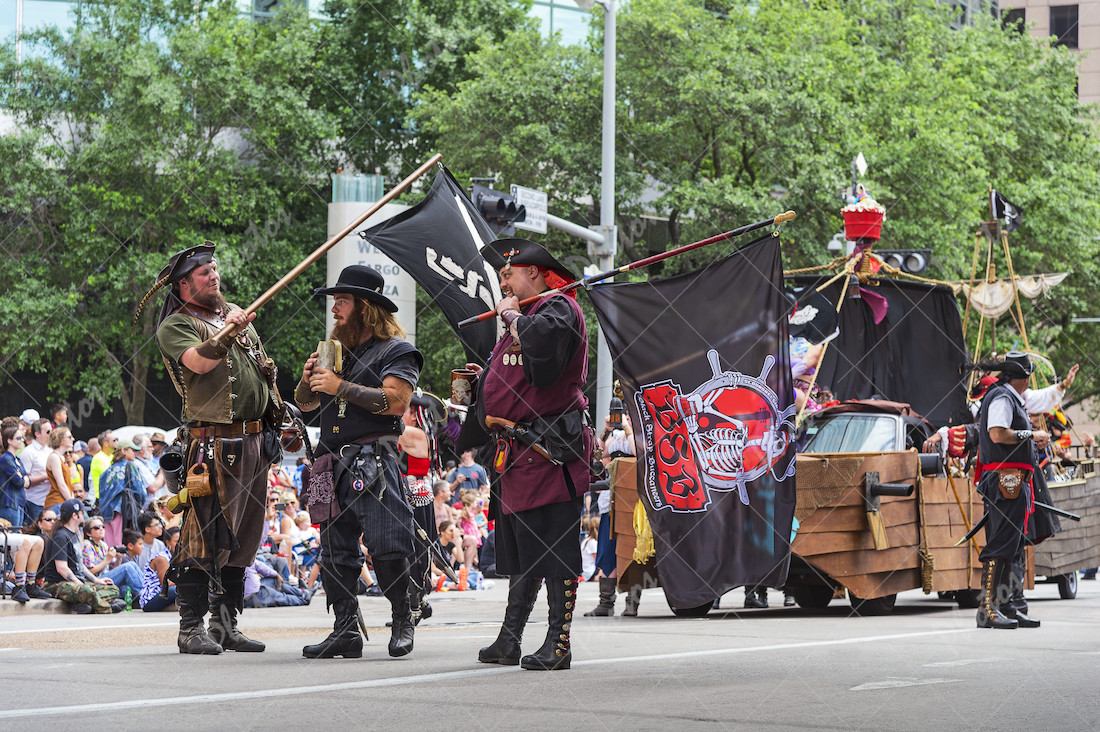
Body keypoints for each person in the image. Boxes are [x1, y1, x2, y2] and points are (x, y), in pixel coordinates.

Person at [143, 241, 281, 655]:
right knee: (202, 537)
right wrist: (230, 332)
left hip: (255, 441)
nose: (214, 276)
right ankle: (190, 629)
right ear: (184, 285)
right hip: (212, 445)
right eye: (204, 272)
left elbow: (263, 370)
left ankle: (224, 626)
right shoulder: (175, 325)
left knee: (243, 540)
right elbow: (200, 362)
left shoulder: (233, 313)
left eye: (215, 268)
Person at [471, 238, 591, 671]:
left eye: (508, 275)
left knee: (555, 549)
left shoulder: (559, 307)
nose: (503, 285)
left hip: (549, 450)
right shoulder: (529, 314)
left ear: (535, 273)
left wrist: (509, 315)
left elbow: (542, 347)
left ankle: (559, 643)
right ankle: (510, 639)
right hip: (516, 454)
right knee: (525, 551)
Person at [295, 265, 422, 660]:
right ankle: (345, 630)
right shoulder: (336, 351)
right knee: (334, 551)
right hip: (328, 462)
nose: (334, 309)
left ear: (365, 307)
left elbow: (396, 402)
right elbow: (305, 404)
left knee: (386, 543)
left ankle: (402, 618)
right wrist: (307, 378)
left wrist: (339, 387)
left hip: (373, 459)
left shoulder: (397, 351)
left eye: (342, 301)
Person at [974, 353, 1051, 630]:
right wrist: (1031, 435)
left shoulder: (1008, 397)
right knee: (1001, 545)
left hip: (1014, 480)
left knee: (1014, 546)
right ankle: (987, 610)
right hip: (1004, 480)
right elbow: (997, 434)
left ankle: (1007, 606)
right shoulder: (1003, 397)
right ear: (1025, 378)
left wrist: (1030, 441)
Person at [41, 499, 121, 614]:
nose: (84, 515)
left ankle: (86, 605)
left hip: (77, 583)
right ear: (75, 515)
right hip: (57, 584)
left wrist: (96, 580)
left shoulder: (75, 534)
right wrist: (80, 584)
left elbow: (80, 564)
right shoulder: (61, 536)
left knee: (112, 589)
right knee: (87, 590)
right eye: (82, 512)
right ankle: (107, 608)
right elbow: (62, 568)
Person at [98, 438, 149, 548]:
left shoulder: (106, 472)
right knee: (122, 547)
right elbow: (140, 491)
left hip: (106, 514)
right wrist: (139, 506)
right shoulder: (131, 466)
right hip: (122, 511)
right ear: (123, 450)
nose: (135, 453)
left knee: (110, 548)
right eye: (132, 450)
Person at [82, 522, 144, 601]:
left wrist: (119, 558)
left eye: (103, 526)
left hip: (106, 578)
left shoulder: (103, 545)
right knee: (127, 567)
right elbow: (89, 572)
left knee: (132, 565)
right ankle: (145, 596)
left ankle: (147, 591)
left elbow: (114, 567)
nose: (101, 529)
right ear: (88, 533)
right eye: (97, 527)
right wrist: (107, 560)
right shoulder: (86, 545)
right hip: (94, 580)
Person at [19, 418, 52, 521]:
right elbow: (24, 480)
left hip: (50, 501)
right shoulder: (28, 452)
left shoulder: (50, 450)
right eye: (48, 432)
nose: (51, 434)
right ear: (37, 434)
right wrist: (47, 476)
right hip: (35, 502)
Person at [0, 420, 31, 528]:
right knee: (11, 534)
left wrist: (23, 478)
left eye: (22, 437)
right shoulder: (5, 459)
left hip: (19, 503)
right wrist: (23, 478)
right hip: (9, 504)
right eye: (18, 438)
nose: (22, 440)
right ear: (9, 440)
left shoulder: (17, 459)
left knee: (17, 534)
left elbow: (28, 481)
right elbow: (19, 482)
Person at [43, 426, 76, 510]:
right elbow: (61, 485)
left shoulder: (61, 457)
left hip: (62, 502)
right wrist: (72, 504)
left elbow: (67, 484)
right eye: (69, 437)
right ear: (60, 440)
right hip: (56, 502)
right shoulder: (54, 457)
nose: (73, 439)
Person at [89, 430, 116, 502]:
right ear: (105, 443)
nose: (117, 442)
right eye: (114, 440)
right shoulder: (98, 458)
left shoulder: (112, 456)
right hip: (102, 498)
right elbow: (112, 475)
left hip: (110, 497)